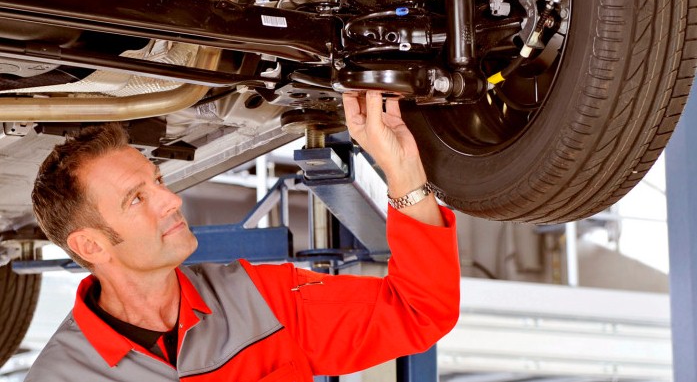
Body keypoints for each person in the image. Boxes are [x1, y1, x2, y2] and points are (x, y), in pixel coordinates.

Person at [25, 91, 460, 382]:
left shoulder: (259, 299)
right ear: (90, 245)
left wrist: (403, 169)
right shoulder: (61, 376)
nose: (172, 200)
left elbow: (420, 310)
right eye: (136, 199)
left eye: (158, 181)